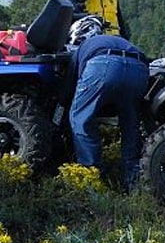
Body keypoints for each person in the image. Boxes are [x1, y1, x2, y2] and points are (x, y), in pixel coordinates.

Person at [61, 15, 150, 190]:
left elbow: (69, 88)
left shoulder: (81, 48)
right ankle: (133, 180)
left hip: (103, 65)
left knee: (79, 119)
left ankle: (91, 177)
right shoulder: (116, 39)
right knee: (130, 124)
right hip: (139, 67)